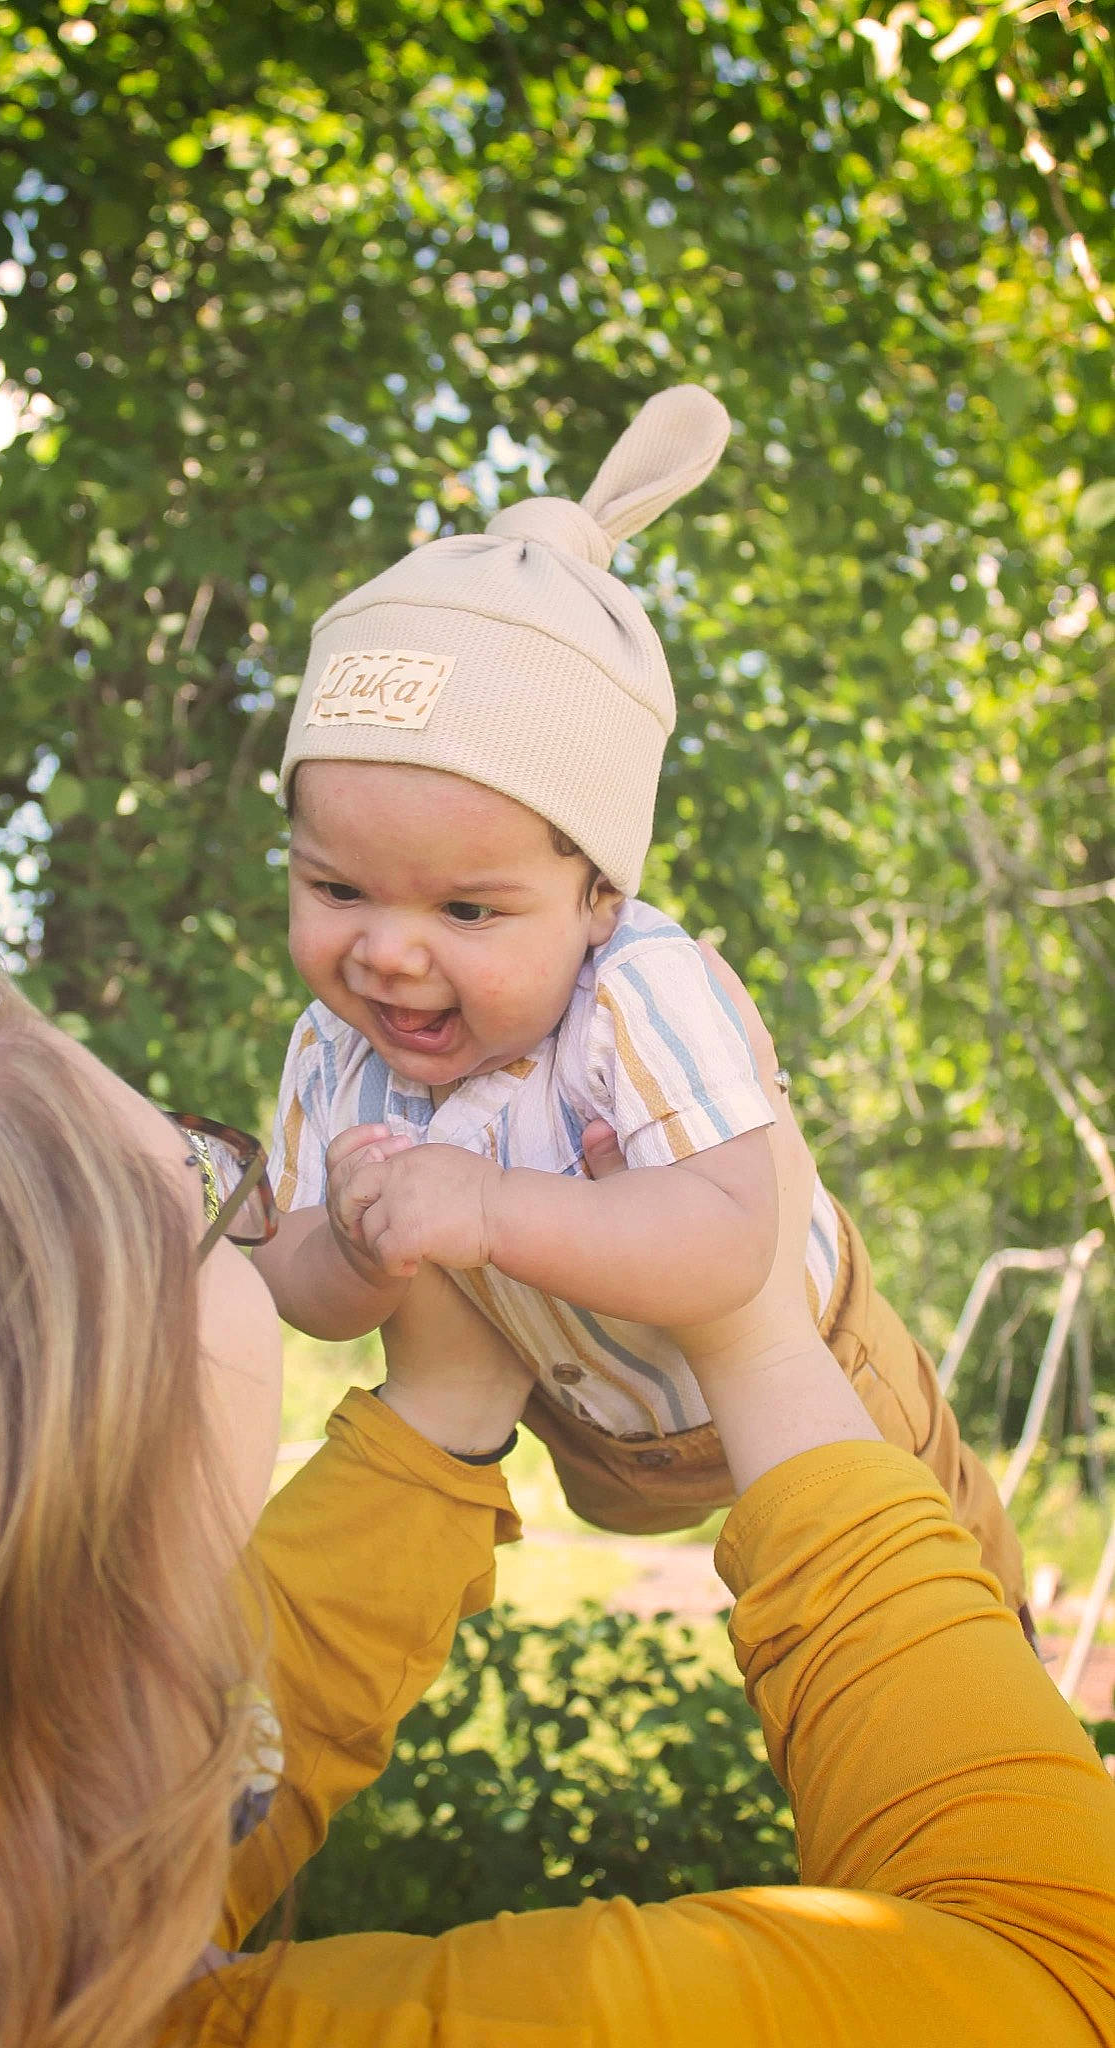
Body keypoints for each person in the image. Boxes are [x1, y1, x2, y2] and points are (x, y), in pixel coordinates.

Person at [0, 922, 1111, 2048]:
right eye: (201, 1179)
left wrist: (443, 1408)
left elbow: (96, 1819)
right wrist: (752, 1329)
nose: (241, 1197)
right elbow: (1062, 1970)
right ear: (92, 1478)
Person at [252, 382, 1029, 1619]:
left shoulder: (639, 987)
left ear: (600, 897)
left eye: (465, 911)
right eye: (338, 886)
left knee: (938, 1563)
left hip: (816, 1364)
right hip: (601, 1441)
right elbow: (291, 1275)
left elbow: (731, 1243)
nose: (387, 956)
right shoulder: (330, 1052)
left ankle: (1022, 1697)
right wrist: (349, 1250)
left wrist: (490, 1206)